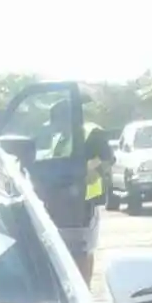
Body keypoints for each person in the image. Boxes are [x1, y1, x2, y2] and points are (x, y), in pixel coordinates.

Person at [44, 101, 114, 286]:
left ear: (66, 118)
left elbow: (107, 160)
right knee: (74, 248)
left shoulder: (91, 133)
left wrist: (85, 174)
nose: (54, 127)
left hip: (84, 201)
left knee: (83, 249)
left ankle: (85, 289)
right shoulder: (61, 137)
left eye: (55, 121)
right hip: (61, 202)